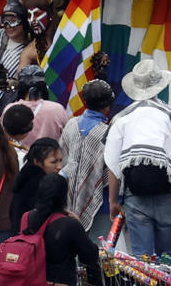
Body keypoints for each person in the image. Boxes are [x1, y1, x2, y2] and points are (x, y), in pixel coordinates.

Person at [106, 58, 171, 255]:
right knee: (167, 257)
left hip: (135, 198)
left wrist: (112, 202)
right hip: (167, 195)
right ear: (159, 85)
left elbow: (112, 164)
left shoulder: (121, 118)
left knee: (141, 259)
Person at [12, 172, 104, 286]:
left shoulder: (26, 218)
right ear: (64, 197)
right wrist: (79, 225)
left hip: (30, 281)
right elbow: (90, 257)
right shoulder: (69, 224)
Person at [57, 78, 115, 240]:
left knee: (71, 245)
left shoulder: (71, 124)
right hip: (101, 203)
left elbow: (62, 159)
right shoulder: (109, 132)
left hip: (67, 199)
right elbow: (112, 171)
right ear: (108, 106)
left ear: (84, 101)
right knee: (97, 249)